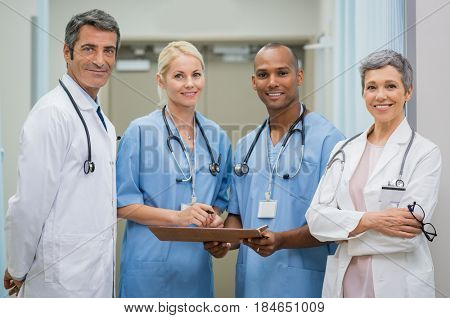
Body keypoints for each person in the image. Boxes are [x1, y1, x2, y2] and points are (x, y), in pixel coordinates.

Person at [205, 43, 345, 297]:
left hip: (305, 285)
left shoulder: (329, 140)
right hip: (253, 285)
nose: (272, 82)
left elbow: (336, 222)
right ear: (253, 82)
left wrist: (281, 240)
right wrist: (224, 240)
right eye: (263, 74)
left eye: (282, 73)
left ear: (299, 76)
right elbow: (237, 216)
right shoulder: (247, 146)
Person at [305, 49, 441, 298]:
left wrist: (344, 233)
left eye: (391, 86)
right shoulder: (344, 149)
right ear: (363, 93)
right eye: (371, 87)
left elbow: (407, 237)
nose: (380, 96)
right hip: (346, 286)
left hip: (399, 286)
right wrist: (372, 220)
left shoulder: (425, 153)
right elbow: (316, 220)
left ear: (408, 92)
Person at [3, 9, 120, 297]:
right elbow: (28, 205)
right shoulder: (52, 113)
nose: (99, 60)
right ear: (67, 52)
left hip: (94, 276)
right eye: (89, 48)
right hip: (58, 280)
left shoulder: (104, 124)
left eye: (109, 50)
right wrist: (17, 267)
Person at [116, 41, 232, 298]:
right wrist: (178, 218)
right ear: (161, 80)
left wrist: (215, 221)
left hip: (195, 270)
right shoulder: (139, 132)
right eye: (179, 76)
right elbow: (121, 204)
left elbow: (221, 200)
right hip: (147, 268)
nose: (190, 83)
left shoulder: (217, 137)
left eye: (196, 75)